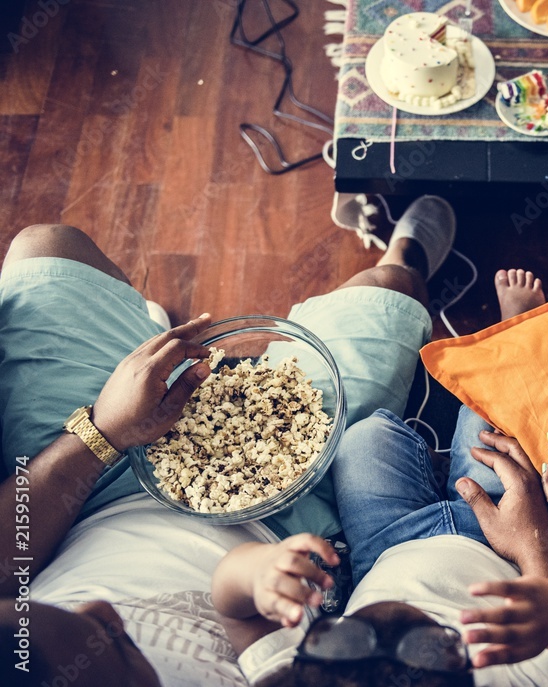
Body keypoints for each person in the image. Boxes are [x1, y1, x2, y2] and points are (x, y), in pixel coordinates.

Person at [0, 195, 464, 686]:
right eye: (115, 639)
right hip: (286, 521)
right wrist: (269, 575)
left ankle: (139, 329)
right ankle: (403, 260)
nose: (103, 608)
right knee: (388, 286)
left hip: (86, 500)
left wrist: (104, 430)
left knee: (47, 244)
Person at [210, 269, 548, 686]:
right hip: (505, 550)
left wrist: (256, 575)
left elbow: (234, 609)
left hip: (385, 548)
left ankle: (445, 448)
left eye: (342, 635)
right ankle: (513, 328)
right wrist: (542, 568)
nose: (401, 612)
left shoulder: (285, 674)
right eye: (438, 644)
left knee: (363, 439)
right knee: (491, 424)